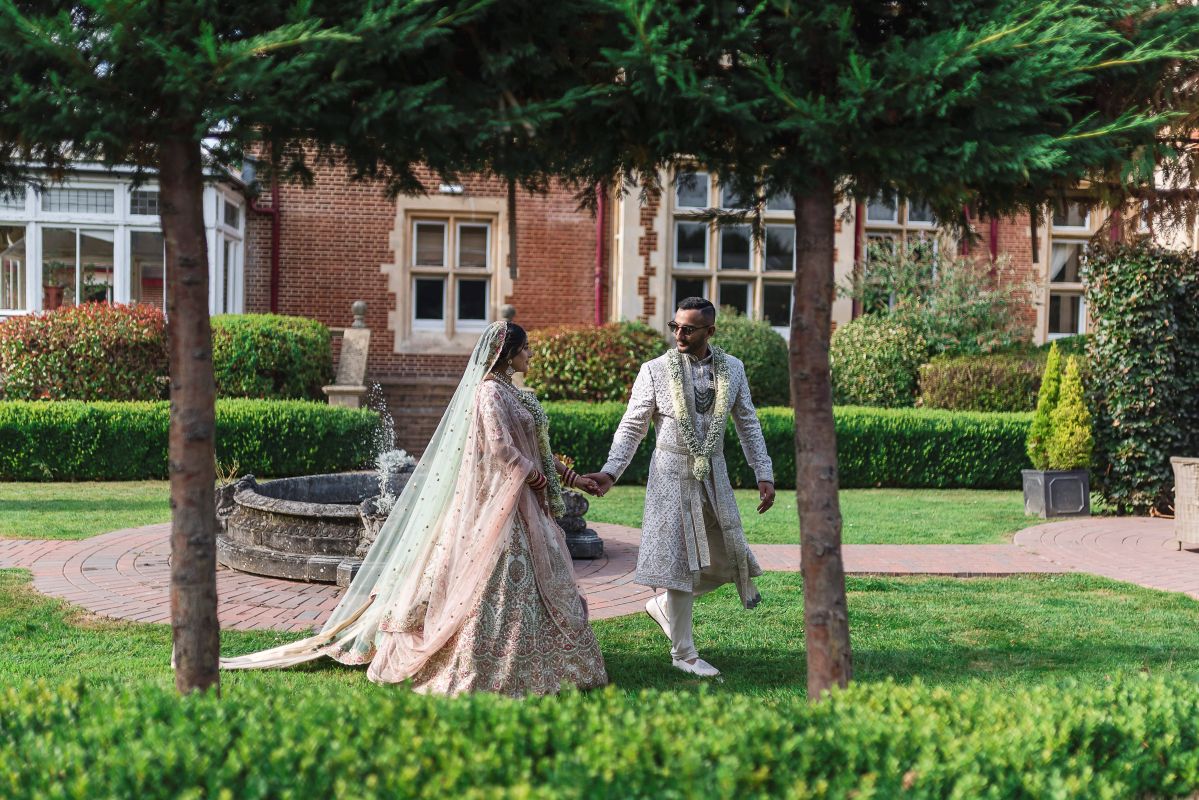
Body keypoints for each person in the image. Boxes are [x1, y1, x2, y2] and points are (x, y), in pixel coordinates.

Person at [222, 320, 608, 697]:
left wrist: (572, 477)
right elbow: (501, 448)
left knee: (537, 575)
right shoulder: (489, 393)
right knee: (495, 578)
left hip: (522, 498)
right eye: (525, 349)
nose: (530, 354)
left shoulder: (514, 392)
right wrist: (537, 480)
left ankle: (546, 661)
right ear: (506, 355)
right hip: (500, 503)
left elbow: (535, 447)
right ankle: (484, 662)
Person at [586, 298, 774, 677]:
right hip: (670, 475)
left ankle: (664, 608)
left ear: (710, 331)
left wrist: (763, 472)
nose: (679, 335)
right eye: (675, 326)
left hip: (714, 475)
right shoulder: (654, 370)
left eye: (688, 329)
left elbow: (748, 423)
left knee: (730, 558)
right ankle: (684, 653)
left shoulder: (733, 369)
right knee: (681, 562)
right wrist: (611, 471)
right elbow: (632, 425)